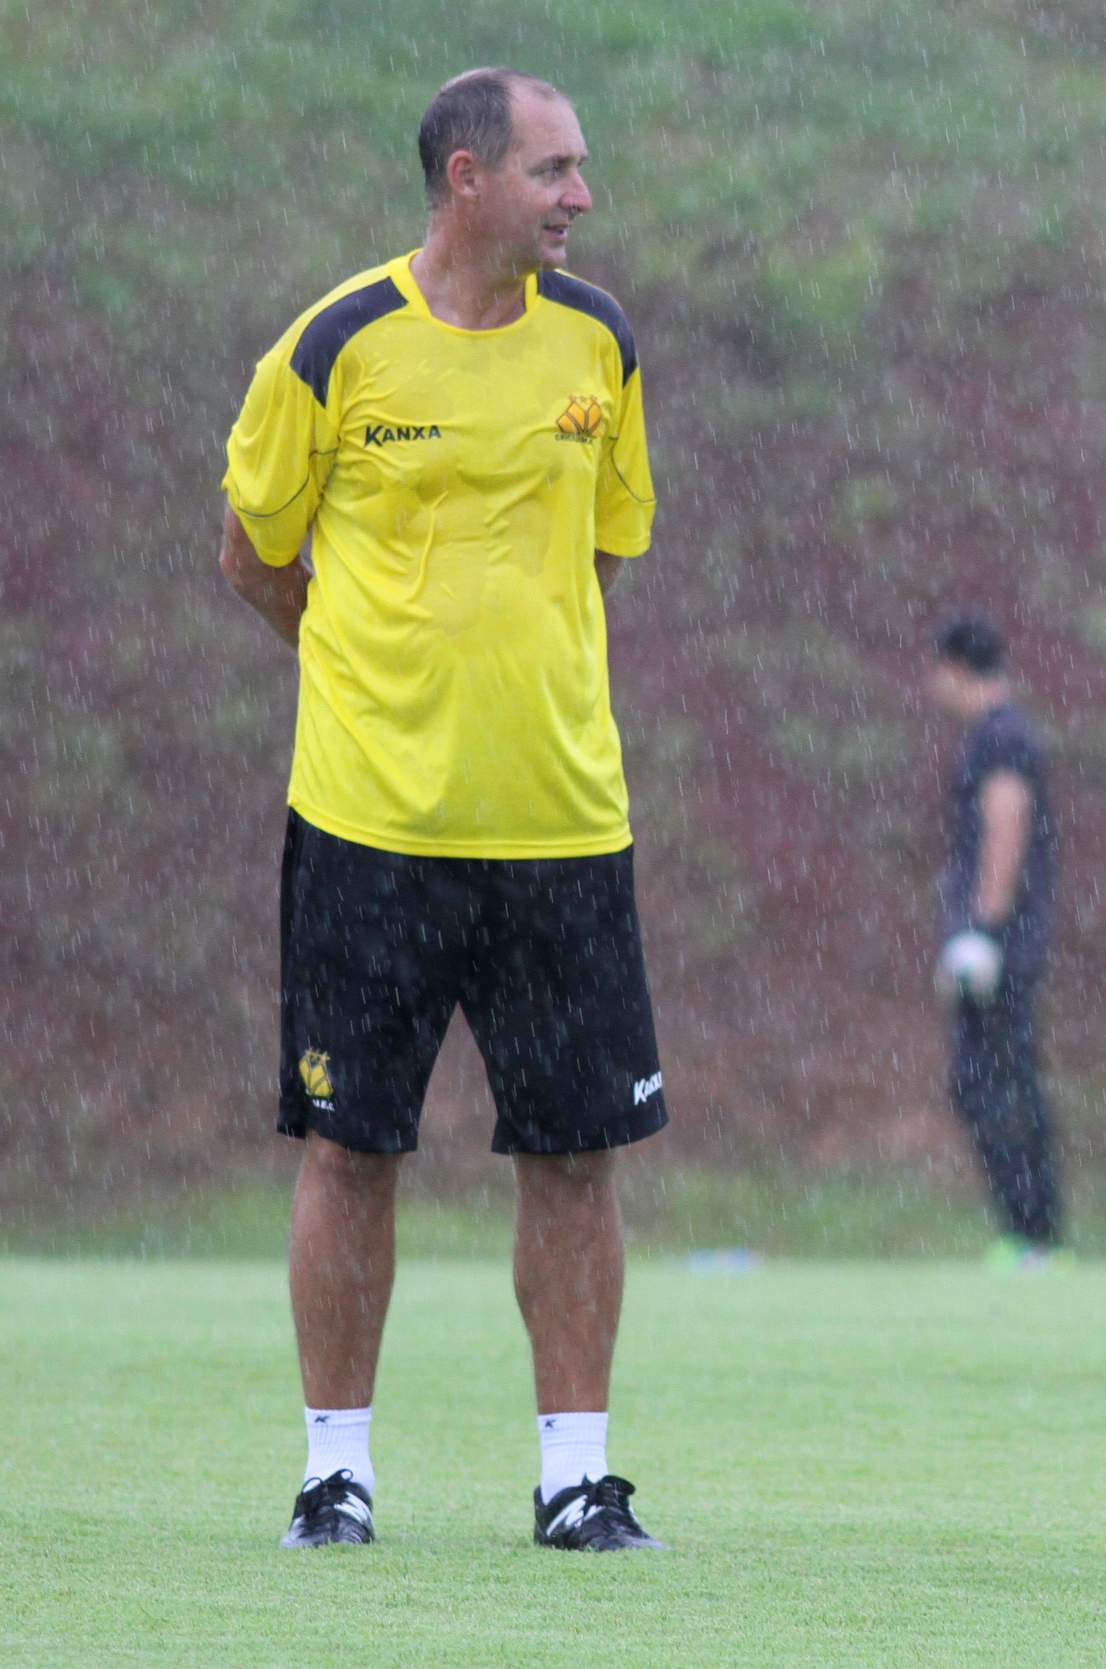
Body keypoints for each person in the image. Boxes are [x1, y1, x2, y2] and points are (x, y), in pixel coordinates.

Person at [220, 68, 667, 1553]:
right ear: (467, 180)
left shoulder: (599, 340)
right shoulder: (335, 345)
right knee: (351, 1148)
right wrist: (373, 676)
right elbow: (252, 552)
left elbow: (601, 556)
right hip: (370, 825)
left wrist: (507, 683)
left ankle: (575, 1479)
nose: (580, 199)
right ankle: (334, 1473)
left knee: (577, 1150)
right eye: (553, 172)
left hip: (561, 823)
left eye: (581, 172)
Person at [926, 615, 1062, 1268]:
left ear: (955, 668)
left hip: (1001, 948)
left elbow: (1006, 826)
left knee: (993, 1083)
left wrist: (981, 932)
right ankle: (1032, 1230)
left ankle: (1034, 1232)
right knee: (993, 1082)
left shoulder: (1000, 739)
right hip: (1007, 943)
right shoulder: (1001, 734)